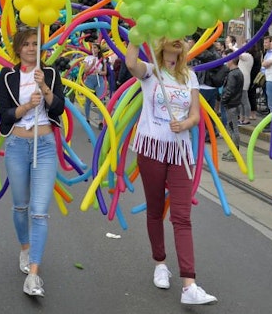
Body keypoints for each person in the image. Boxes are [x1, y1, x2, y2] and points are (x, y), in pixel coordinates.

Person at [125, 38, 217, 305]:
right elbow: (131, 63)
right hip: (152, 148)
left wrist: (185, 124)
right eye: (171, 39)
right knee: (155, 210)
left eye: (180, 40)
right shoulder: (151, 70)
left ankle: (189, 284)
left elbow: (196, 115)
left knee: (182, 216)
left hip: (180, 153)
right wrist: (136, 34)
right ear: (163, 43)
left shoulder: (190, 76)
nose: (177, 43)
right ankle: (160, 263)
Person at [0, 26, 64, 298]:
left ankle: (34, 275)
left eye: (36, 43)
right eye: (26, 43)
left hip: (45, 145)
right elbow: (4, 114)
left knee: (39, 210)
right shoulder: (8, 75)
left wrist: (45, 90)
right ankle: (25, 248)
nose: (31, 48)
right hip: (16, 145)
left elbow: (58, 107)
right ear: (18, 48)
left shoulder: (50, 73)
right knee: (21, 205)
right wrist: (25, 107)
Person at [218, 57, 243, 161]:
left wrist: (223, 100)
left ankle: (234, 152)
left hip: (231, 104)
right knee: (231, 127)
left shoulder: (233, 74)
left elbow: (230, 90)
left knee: (233, 128)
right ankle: (232, 149)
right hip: (235, 103)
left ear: (231, 61)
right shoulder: (238, 72)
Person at [81, 42, 106, 127]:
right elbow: (85, 71)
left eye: (95, 48)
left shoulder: (102, 59)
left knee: (100, 100)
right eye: (92, 48)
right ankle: (87, 118)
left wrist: (100, 72)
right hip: (90, 80)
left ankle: (100, 121)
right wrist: (92, 64)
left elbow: (105, 72)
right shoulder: (88, 58)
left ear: (98, 50)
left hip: (99, 79)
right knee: (88, 100)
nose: (93, 49)